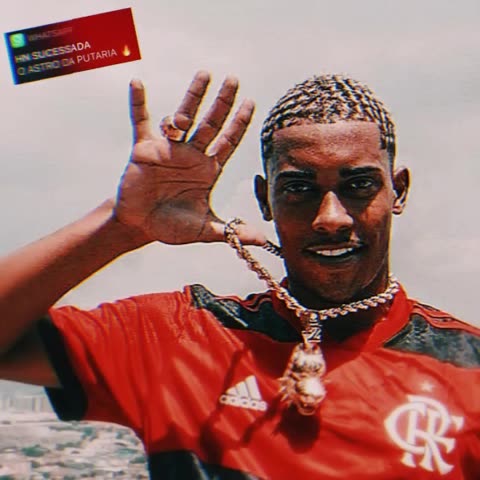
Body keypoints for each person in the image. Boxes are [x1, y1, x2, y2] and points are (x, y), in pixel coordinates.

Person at [0, 70, 479, 479]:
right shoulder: (178, 339)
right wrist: (119, 228)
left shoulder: (469, 369)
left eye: (358, 185)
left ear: (398, 191)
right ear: (264, 200)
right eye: (299, 189)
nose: (330, 217)